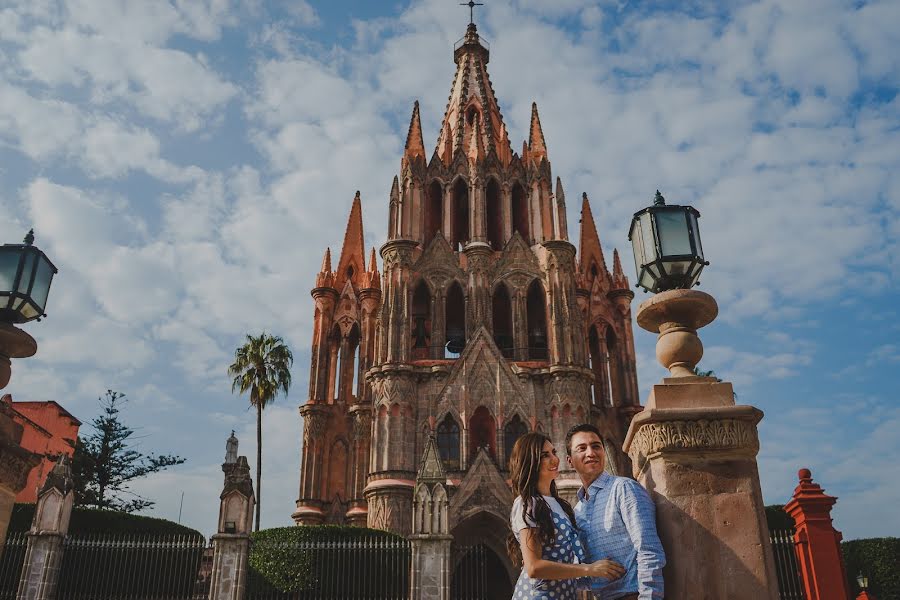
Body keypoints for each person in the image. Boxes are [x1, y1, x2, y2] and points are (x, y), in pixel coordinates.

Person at [508, 432, 625, 599]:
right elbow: (534, 567)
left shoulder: (561, 505)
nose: (555, 459)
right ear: (530, 461)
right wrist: (590, 569)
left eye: (554, 452)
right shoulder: (528, 504)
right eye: (545, 455)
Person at [565, 423, 665, 600]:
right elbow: (592, 576)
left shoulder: (624, 489)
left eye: (596, 446)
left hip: (633, 595)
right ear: (570, 460)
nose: (591, 453)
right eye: (582, 448)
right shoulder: (578, 511)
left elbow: (648, 550)